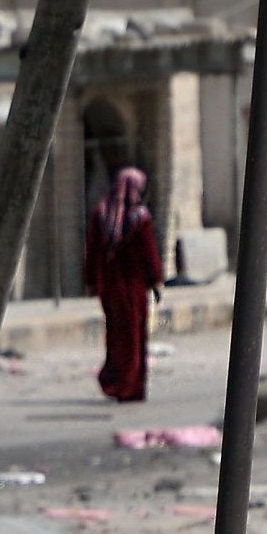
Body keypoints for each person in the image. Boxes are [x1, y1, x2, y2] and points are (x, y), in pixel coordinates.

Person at [84, 165, 163, 403]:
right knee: (134, 337)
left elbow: (93, 253)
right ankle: (130, 386)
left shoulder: (101, 215)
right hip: (134, 288)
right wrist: (156, 281)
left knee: (116, 336)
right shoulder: (140, 218)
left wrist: (91, 282)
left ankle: (115, 381)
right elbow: (150, 254)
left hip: (110, 289)